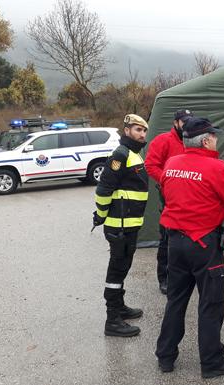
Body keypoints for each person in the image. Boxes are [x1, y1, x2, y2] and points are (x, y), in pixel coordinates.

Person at [155, 117, 224, 378]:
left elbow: (167, 193)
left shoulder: (172, 163)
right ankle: (212, 362)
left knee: (175, 300)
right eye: (214, 136)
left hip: (174, 242)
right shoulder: (216, 167)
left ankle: (165, 356)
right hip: (204, 245)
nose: (216, 140)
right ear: (206, 140)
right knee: (210, 305)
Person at [93, 114, 149, 337]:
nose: (142, 134)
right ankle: (112, 319)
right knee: (116, 269)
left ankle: (120, 307)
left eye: (144, 131)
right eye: (137, 130)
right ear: (127, 131)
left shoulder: (134, 154)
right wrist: (100, 215)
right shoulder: (120, 154)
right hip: (119, 225)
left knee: (123, 266)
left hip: (130, 224)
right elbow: (104, 189)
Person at [144, 109, 192, 294]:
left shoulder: (192, 141)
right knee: (167, 237)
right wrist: (166, 182)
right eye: (183, 121)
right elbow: (150, 165)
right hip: (170, 197)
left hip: (190, 196)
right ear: (176, 123)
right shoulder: (163, 140)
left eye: (189, 121)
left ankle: (185, 274)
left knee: (187, 236)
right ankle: (164, 277)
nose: (186, 124)